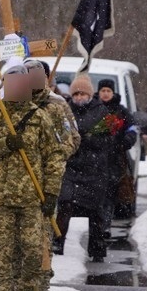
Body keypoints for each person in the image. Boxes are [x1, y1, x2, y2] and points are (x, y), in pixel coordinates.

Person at [0, 60, 66, 291]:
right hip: (1, 195)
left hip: (31, 196)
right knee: (1, 248)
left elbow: (55, 157)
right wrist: (5, 144)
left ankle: (29, 283)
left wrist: (51, 192)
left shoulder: (40, 118)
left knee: (33, 247)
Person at [22, 58, 79, 291]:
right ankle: (17, 284)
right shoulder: (12, 102)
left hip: (46, 178)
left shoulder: (57, 105)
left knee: (42, 233)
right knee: (15, 235)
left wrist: (52, 155)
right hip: (16, 179)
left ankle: (41, 284)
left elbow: (72, 138)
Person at [55, 74, 118, 261]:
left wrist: (92, 139)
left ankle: (97, 248)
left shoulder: (104, 112)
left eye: (83, 94)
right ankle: (57, 241)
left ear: (90, 95)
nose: (79, 98)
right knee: (65, 203)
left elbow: (112, 139)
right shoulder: (65, 111)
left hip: (95, 170)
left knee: (96, 212)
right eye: (76, 94)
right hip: (71, 168)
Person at [96, 78, 139, 223]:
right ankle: (98, 223)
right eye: (103, 91)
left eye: (109, 91)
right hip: (94, 158)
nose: (106, 94)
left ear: (113, 93)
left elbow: (132, 128)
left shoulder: (121, 111)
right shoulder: (93, 108)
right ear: (98, 92)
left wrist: (127, 140)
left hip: (115, 158)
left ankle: (105, 223)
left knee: (110, 191)